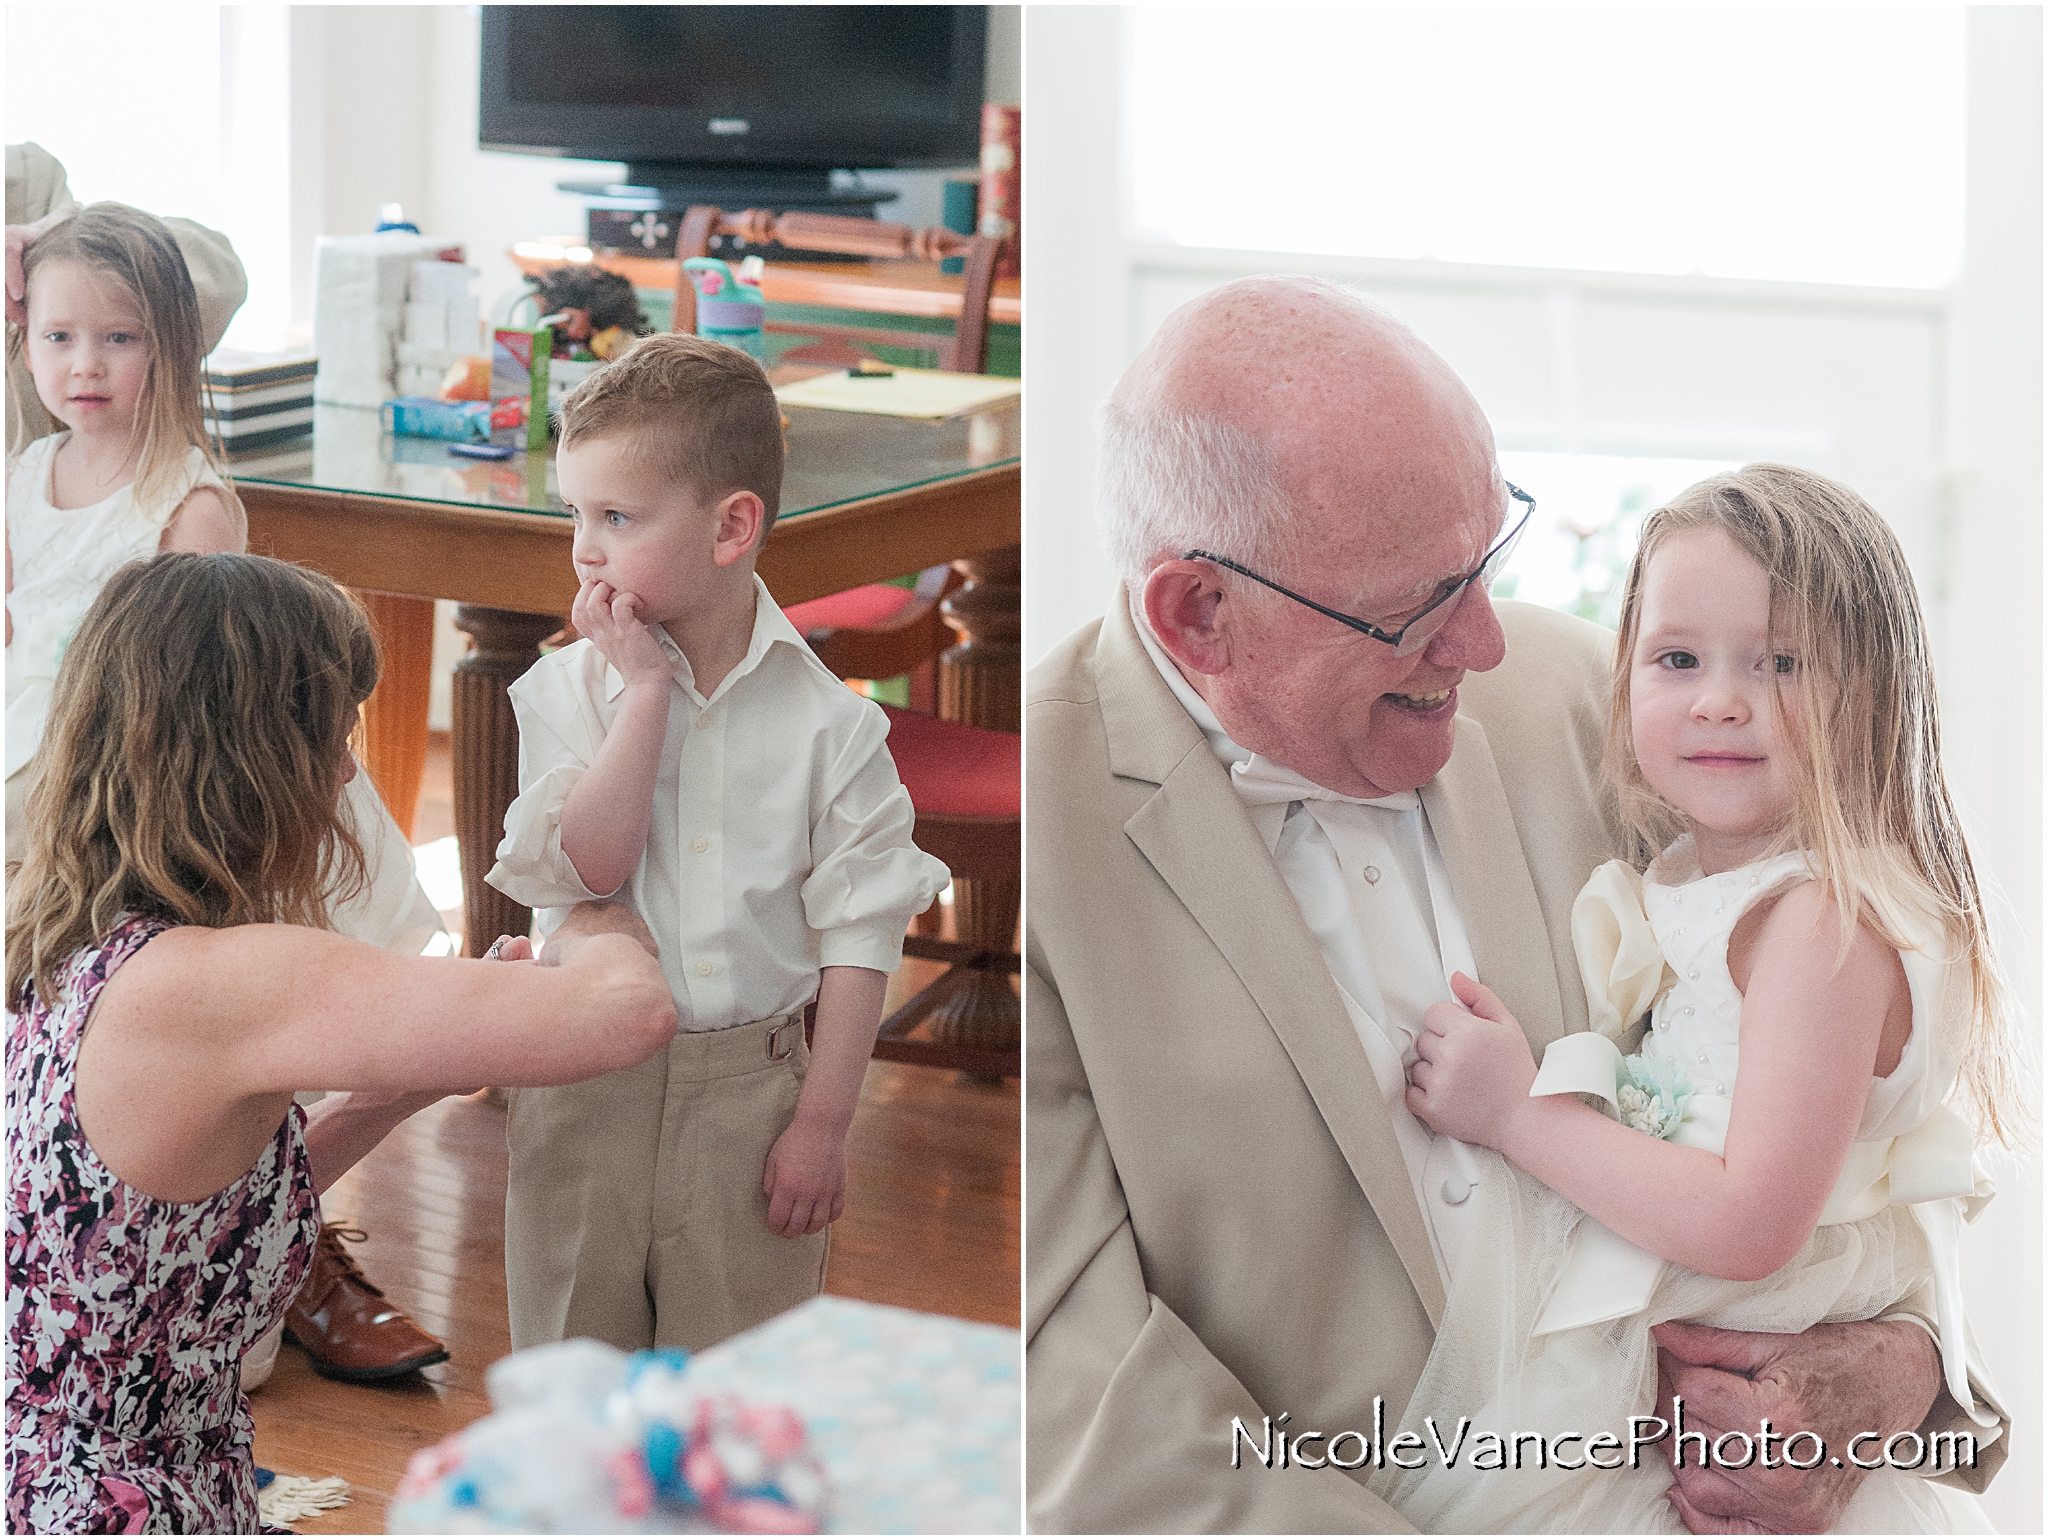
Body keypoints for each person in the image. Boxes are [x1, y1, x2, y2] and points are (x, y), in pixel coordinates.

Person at [1025, 276, 2008, 1532]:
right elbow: (1075, 1384)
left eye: (1484, 558)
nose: (1483, 644)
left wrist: (1900, 1372)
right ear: (1199, 612)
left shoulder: (1593, 705)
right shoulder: (1035, 828)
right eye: (1419, 605)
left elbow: (1845, 1118)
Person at [1381, 464, 2011, 1532]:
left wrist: (1512, 1113)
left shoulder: (1818, 923)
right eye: (1677, 659)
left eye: (1779, 663)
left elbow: (1747, 1218)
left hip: (1731, 1386)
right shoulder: (1691, 876)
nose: (1719, 697)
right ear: (1624, 672)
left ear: (1874, 690)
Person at [5, 552, 677, 1535]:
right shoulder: (228, 980)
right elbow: (630, 1012)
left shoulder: (69, 927)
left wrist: (400, 1082)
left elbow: (171, 1233)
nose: (349, 768)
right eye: (335, 732)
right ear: (252, 755)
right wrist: (590, 887)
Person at [3, 198, 451, 1383]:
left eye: (119, 338)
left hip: (169, 781)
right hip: (41, 769)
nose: (84, 365)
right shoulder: (22, 474)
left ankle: (275, 1244)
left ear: (173, 347)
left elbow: (188, 684)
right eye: (56, 338)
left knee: (221, 1017)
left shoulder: (189, 497)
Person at [485, 332, 948, 1354]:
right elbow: (589, 865)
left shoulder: (835, 727)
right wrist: (645, 693)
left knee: (737, 1393)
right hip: (582, 1088)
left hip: (754, 1103)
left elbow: (859, 937)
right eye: (575, 516)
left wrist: (822, 1124)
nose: (585, 550)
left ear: (731, 525)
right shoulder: (563, 694)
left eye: (617, 517)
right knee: (576, 1383)